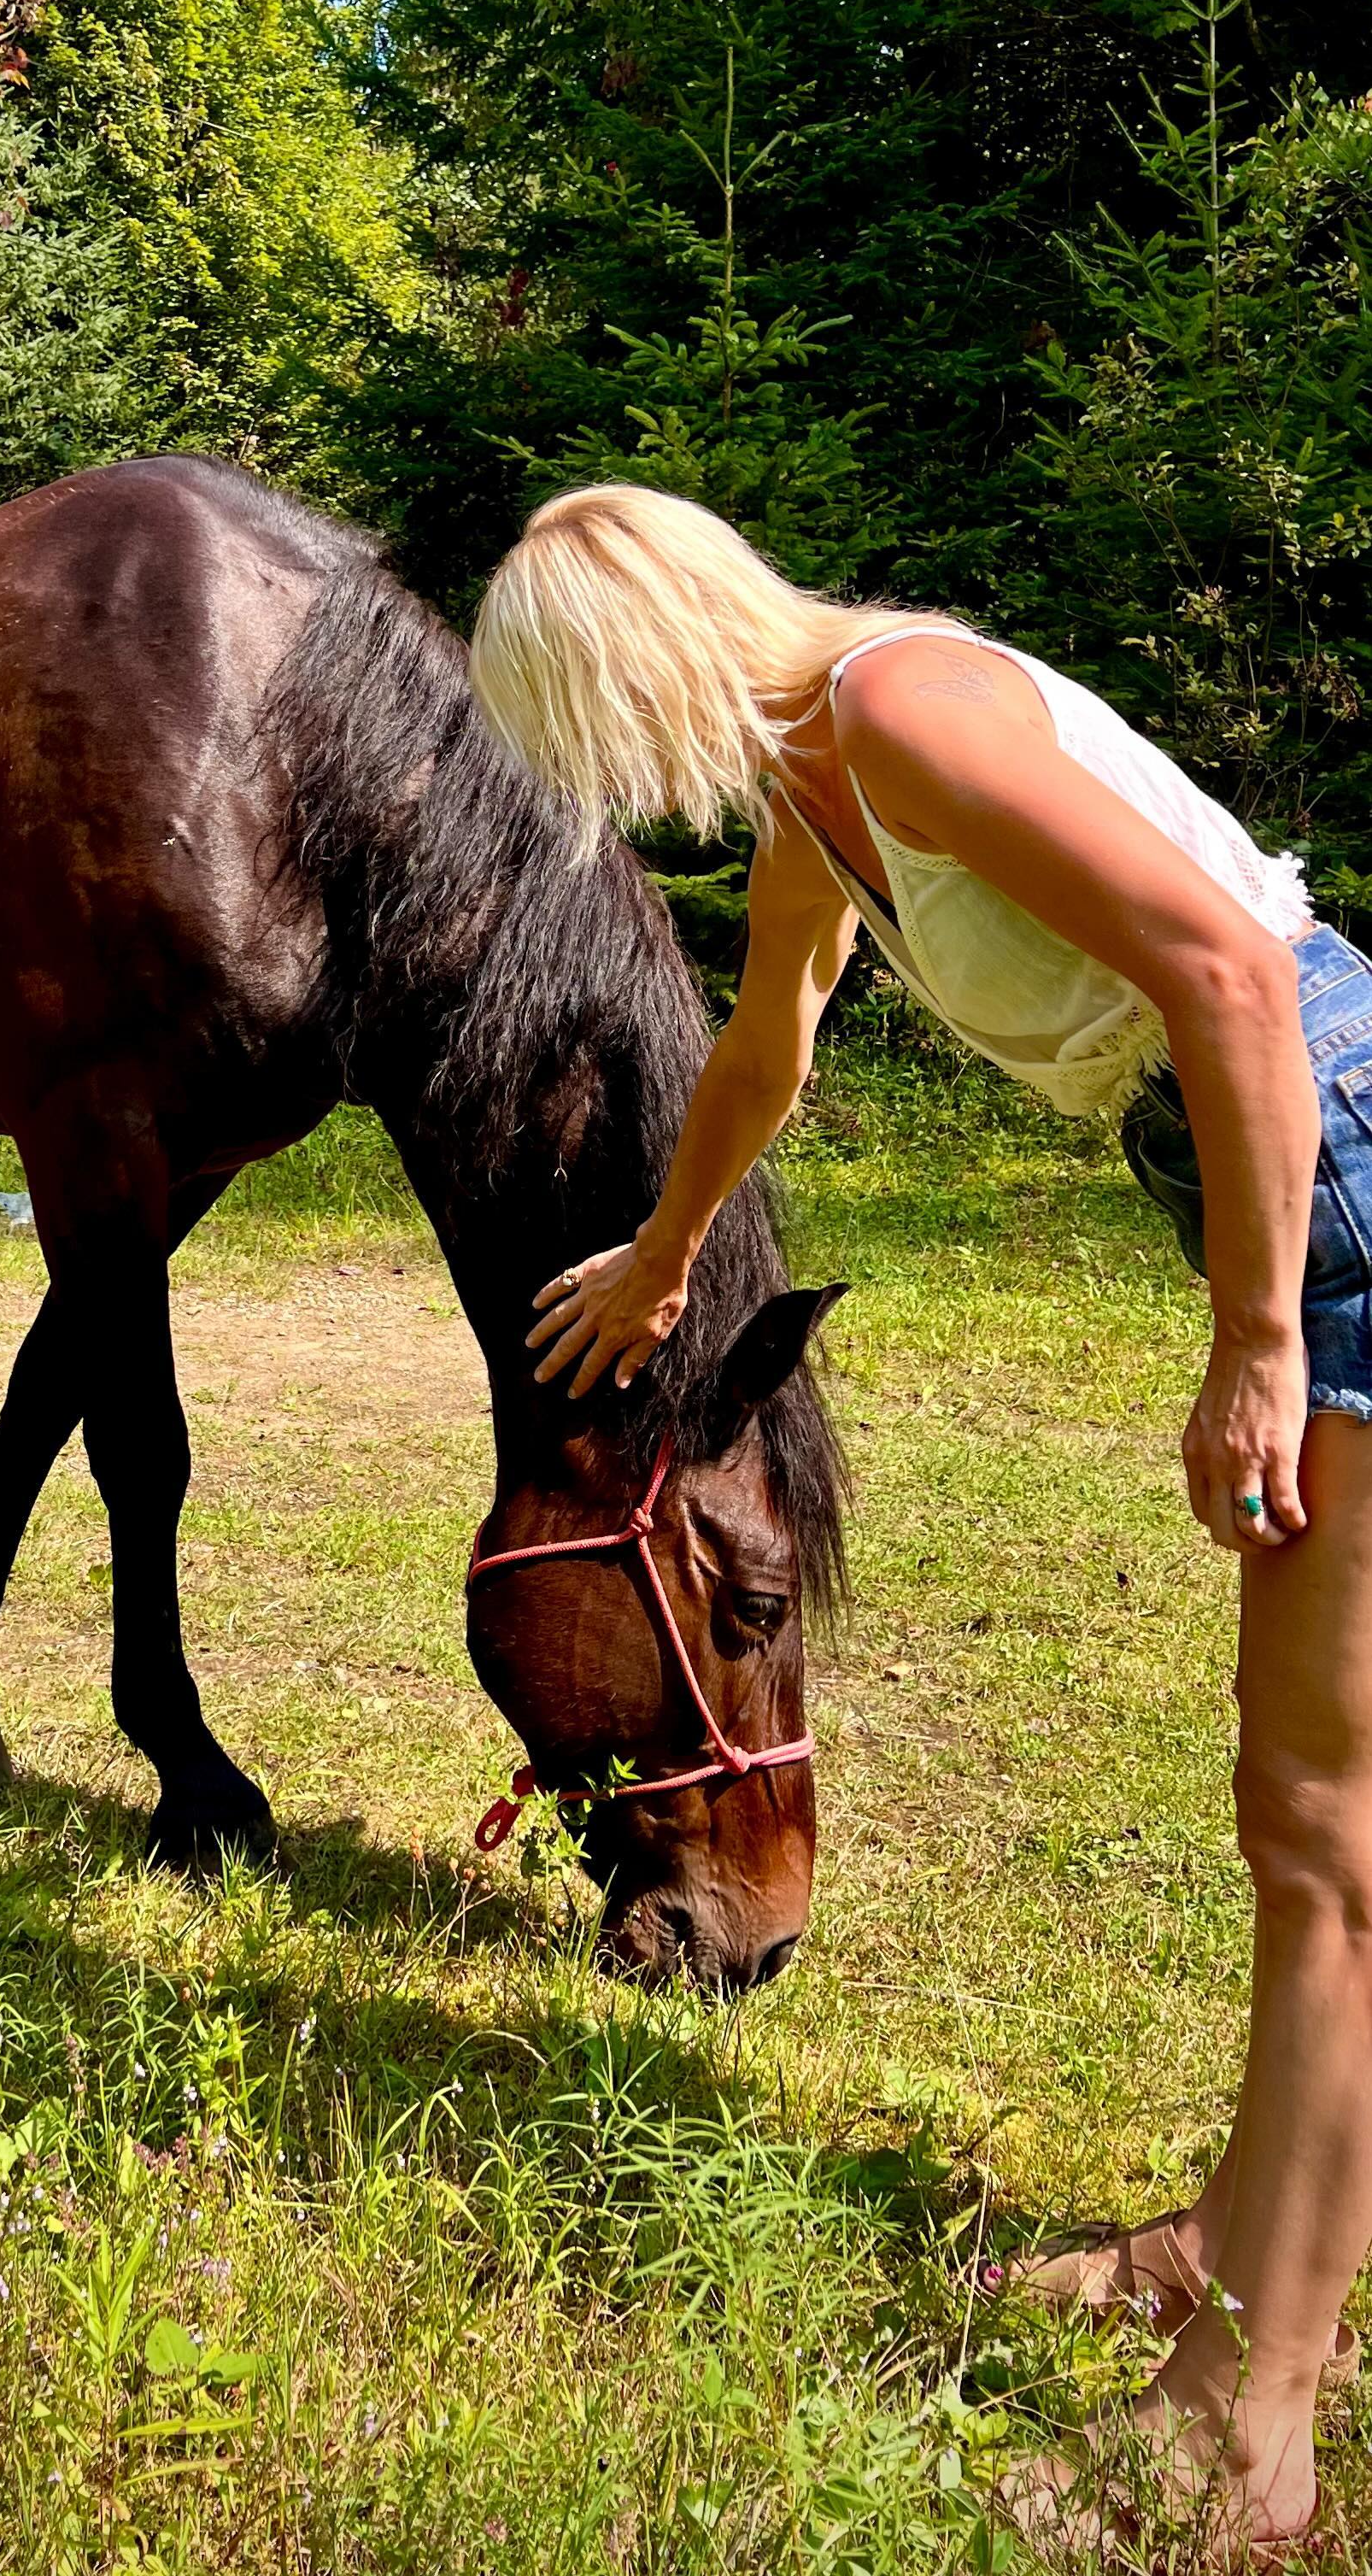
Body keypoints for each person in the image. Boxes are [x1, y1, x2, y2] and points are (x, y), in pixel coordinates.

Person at [468, 480, 1372, 2556]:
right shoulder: (824, 794)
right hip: (1298, 1161)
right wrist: (668, 1251)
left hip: (1333, 1160)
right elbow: (764, 1044)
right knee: (1314, 1827)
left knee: (1326, 1840)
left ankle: (1248, 2436)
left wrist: (1255, 1340)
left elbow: (1234, 971)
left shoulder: (899, 705)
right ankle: (1232, 2239)